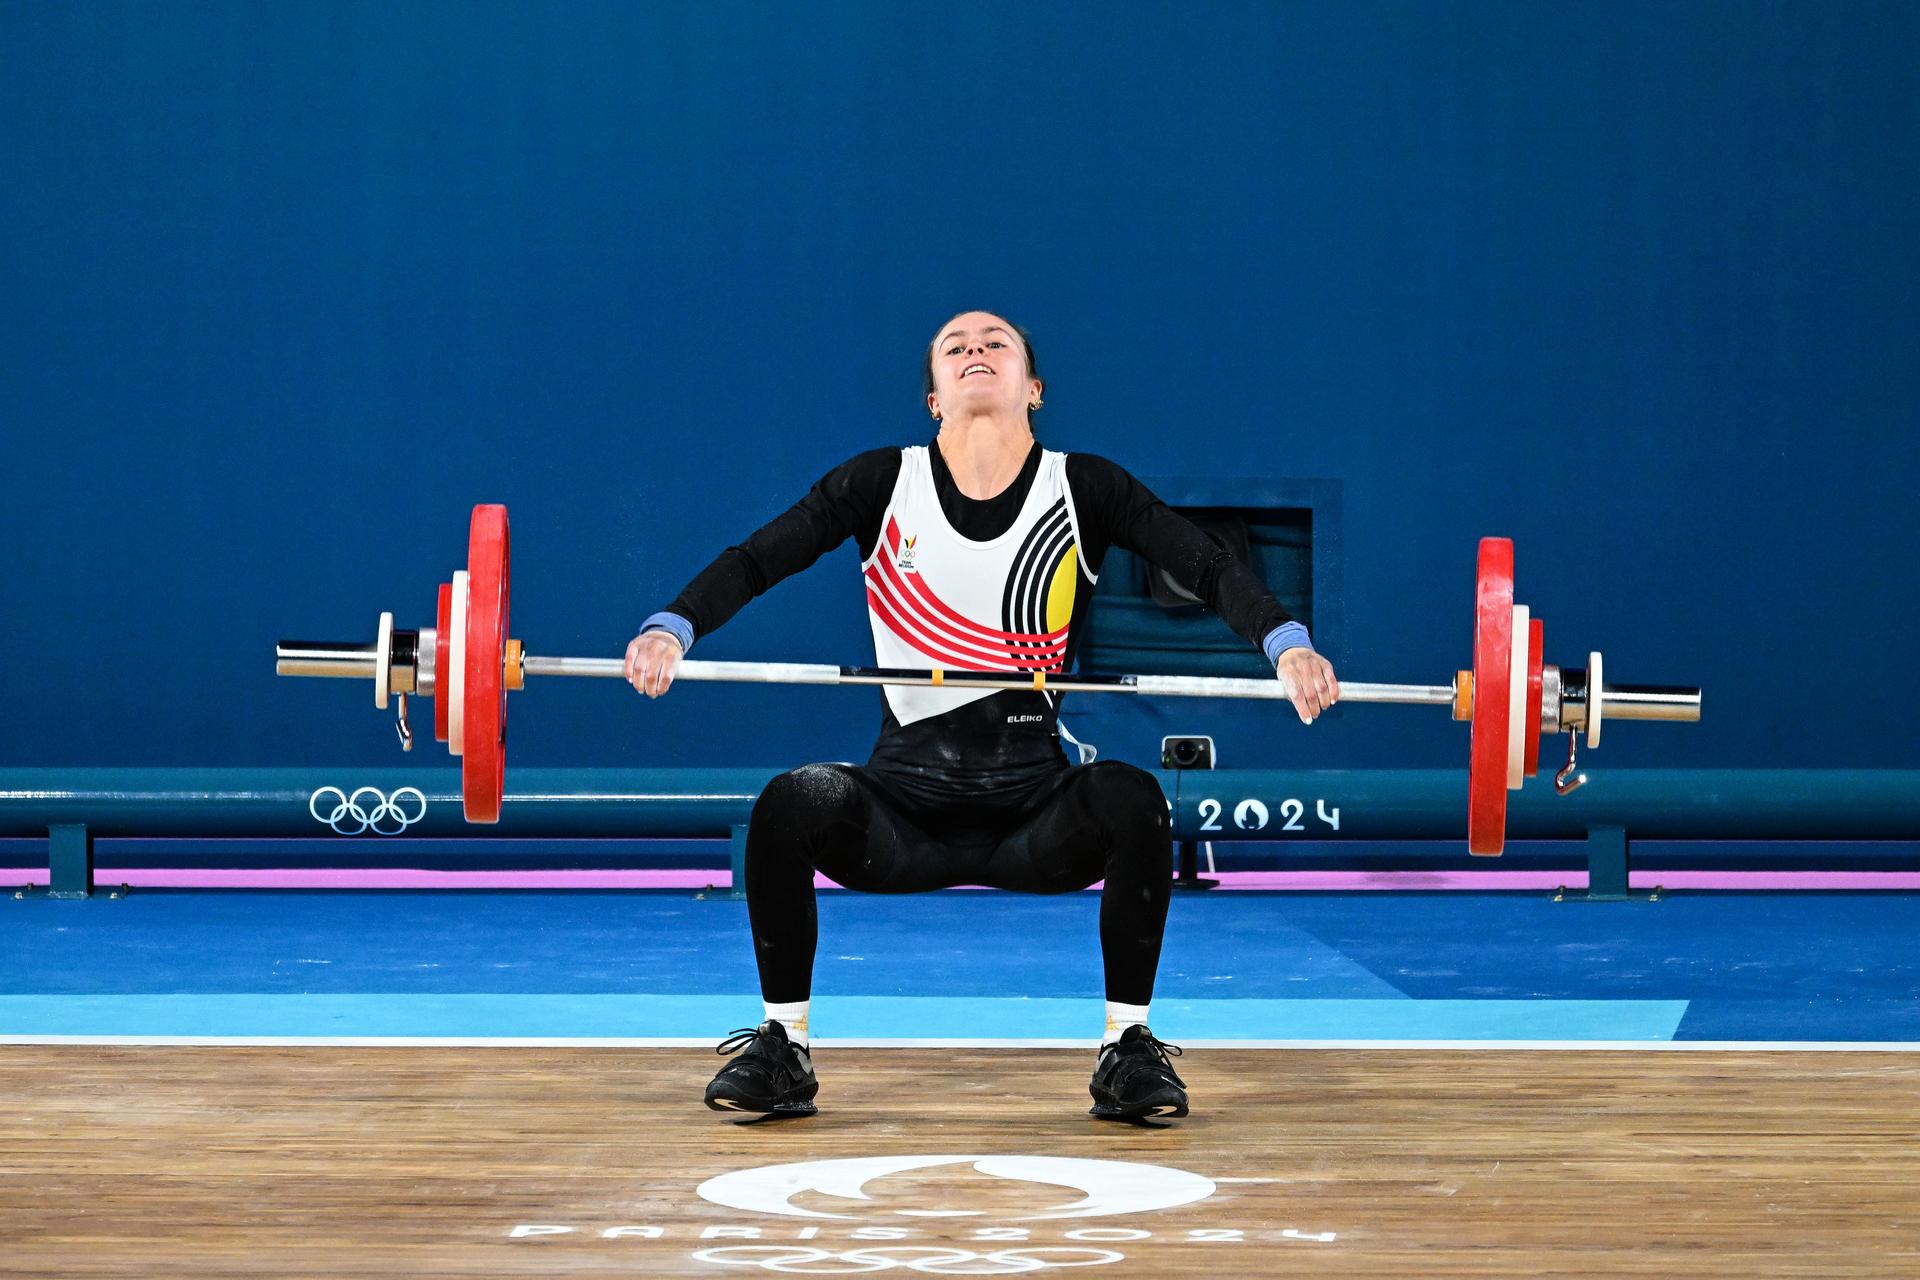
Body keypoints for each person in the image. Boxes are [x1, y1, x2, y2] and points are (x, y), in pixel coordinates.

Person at [626, 310, 1340, 1122]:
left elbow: (1207, 567)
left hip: (1035, 817)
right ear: (933, 397)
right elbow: (759, 559)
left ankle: (1127, 1048)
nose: (975, 351)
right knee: (793, 801)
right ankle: (783, 1046)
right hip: (901, 817)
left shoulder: (1085, 489)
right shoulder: (877, 483)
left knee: (1134, 797)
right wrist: (674, 624)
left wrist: (1285, 643)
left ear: (1033, 389)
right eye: (954, 347)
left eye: (996, 343)